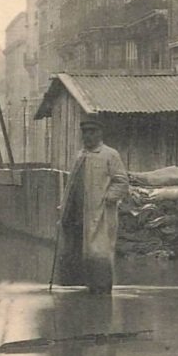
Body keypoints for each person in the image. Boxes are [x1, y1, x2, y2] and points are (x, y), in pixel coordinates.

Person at [57, 117, 129, 294]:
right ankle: (76, 291)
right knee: (74, 252)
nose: (87, 136)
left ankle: (101, 293)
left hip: (100, 214)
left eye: (92, 132)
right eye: (85, 132)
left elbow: (121, 182)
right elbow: (71, 184)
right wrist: (64, 206)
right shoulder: (80, 155)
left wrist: (108, 199)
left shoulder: (109, 155)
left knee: (99, 253)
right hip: (77, 214)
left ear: (100, 133)